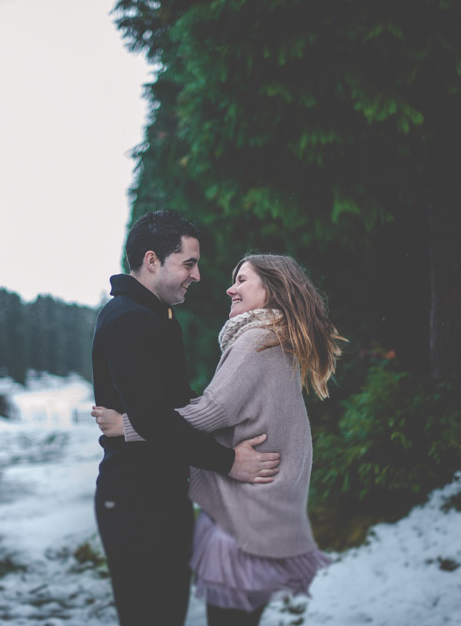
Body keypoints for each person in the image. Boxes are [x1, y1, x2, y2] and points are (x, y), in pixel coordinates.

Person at [94, 253, 344, 626]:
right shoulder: (277, 339)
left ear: (272, 288)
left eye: (242, 280)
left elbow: (213, 411)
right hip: (265, 516)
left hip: (244, 524)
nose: (230, 289)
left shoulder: (257, 341)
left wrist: (128, 425)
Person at [92, 211, 281, 626]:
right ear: (152, 260)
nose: (196, 276)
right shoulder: (130, 320)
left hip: (161, 498)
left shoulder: (156, 318)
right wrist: (229, 462)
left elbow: (179, 406)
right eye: (188, 264)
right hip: (136, 503)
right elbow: (157, 420)